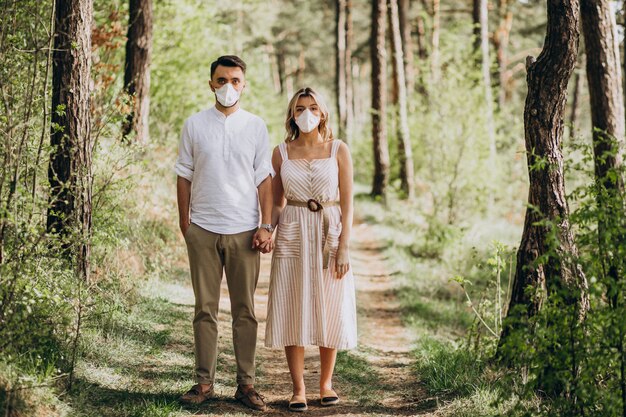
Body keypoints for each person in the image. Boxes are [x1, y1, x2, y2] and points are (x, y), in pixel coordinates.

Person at [175, 55, 274, 411]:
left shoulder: (256, 126)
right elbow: (184, 174)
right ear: (211, 83)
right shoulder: (195, 125)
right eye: (221, 80)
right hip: (202, 228)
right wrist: (186, 224)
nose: (228, 87)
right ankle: (204, 383)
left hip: (245, 231)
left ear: (243, 85)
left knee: (245, 310)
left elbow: (264, 177)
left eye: (235, 80)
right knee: (205, 309)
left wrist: (265, 225)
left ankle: (246, 385)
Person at [264, 87, 357, 412]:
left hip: (329, 230)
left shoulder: (338, 149)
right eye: (300, 108)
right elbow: (276, 203)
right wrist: (267, 230)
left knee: (329, 304)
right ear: (292, 114)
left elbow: (348, 202)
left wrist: (344, 245)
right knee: (293, 305)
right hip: (292, 231)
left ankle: (326, 383)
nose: (307, 113)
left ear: (323, 113)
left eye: (313, 107)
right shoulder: (281, 152)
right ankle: (298, 388)